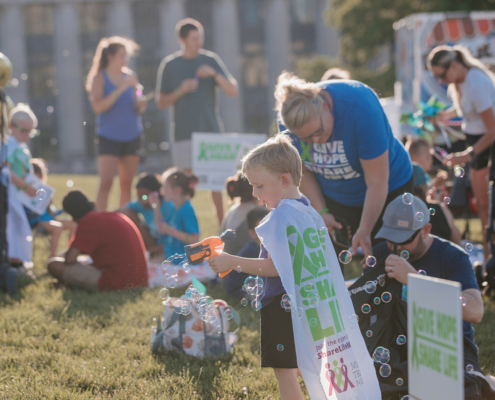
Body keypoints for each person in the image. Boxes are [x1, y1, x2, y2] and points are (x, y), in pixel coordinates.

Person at [207, 135, 308, 400]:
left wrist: (232, 262)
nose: (254, 194)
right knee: (296, 361)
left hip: (279, 303)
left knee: (283, 371)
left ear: (284, 180)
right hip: (303, 299)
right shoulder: (305, 208)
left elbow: (276, 268)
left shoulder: (278, 218)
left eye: (259, 186)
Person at [275, 71, 413, 259]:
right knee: (330, 263)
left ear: (324, 107)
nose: (316, 141)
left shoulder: (360, 108)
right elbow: (303, 171)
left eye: (319, 131)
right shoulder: (287, 124)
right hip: (335, 194)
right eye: (306, 138)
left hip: (389, 186)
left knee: (386, 259)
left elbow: (377, 182)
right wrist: (321, 212)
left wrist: (364, 230)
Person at [371, 195, 490, 399]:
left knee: (461, 391)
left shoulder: (453, 256)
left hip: (448, 342)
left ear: (426, 230)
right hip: (398, 341)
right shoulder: (383, 251)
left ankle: (486, 381)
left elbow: (476, 311)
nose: (396, 248)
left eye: (405, 239)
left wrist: (415, 279)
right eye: (391, 239)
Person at [155, 18, 239, 226]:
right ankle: (182, 229)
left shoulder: (210, 60)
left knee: (216, 186)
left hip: (211, 132)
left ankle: (222, 231)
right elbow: (160, 102)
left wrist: (214, 74)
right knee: (181, 186)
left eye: (200, 37)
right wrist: (180, 90)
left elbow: (233, 90)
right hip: (184, 133)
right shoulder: (170, 65)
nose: (198, 42)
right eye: (194, 38)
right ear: (182, 40)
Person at [428, 45, 495, 258]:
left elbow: (492, 130)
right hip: (477, 141)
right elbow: (464, 108)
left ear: (454, 65)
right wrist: (444, 116)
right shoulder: (458, 82)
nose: (440, 80)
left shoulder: (476, 84)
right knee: (482, 205)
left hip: (487, 143)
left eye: (441, 74)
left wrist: (467, 155)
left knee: (488, 206)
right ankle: (488, 258)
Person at [86, 36, 148, 211]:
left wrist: (139, 98)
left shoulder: (131, 77)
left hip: (132, 135)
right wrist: (121, 88)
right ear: (110, 56)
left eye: (126, 55)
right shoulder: (99, 78)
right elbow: (98, 107)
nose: (125, 59)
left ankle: (125, 222)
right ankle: (100, 222)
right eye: (122, 55)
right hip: (108, 137)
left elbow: (138, 103)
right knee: (106, 182)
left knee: (126, 183)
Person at [47, 190, 148, 291]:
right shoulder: (114, 216)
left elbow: (69, 259)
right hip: (139, 280)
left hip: (118, 282)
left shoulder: (89, 221)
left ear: (74, 217)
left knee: (54, 265)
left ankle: (71, 284)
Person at [5, 103, 39, 266]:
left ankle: (21, 259)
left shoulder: (21, 146)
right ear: (11, 126)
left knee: (21, 226)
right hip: (11, 193)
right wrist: (25, 186)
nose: (26, 135)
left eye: (30, 131)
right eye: (23, 130)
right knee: (13, 225)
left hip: (22, 194)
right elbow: (6, 170)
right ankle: (13, 258)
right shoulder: (9, 145)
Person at [28, 159, 77, 257]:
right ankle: (53, 256)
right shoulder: (29, 190)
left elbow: (51, 213)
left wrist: (50, 205)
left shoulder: (43, 190)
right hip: (37, 221)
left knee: (73, 224)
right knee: (57, 227)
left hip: (49, 219)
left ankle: (69, 253)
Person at [120, 172, 174, 261]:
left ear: (156, 194)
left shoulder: (169, 207)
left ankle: (151, 251)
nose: (141, 201)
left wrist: (157, 249)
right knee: (127, 213)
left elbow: (174, 234)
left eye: (144, 197)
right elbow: (122, 210)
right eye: (139, 197)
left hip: (167, 244)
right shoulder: (142, 204)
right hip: (152, 241)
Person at [150, 167, 199, 264]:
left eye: (165, 187)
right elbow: (162, 228)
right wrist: (156, 208)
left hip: (182, 262)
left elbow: (194, 239)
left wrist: (170, 230)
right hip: (170, 257)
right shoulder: (175, 208)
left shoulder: (186, 210)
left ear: (177, 189)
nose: (161, 190)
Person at [225, 207, 269, 299]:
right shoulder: (254, 251)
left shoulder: (264, 246)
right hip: (240, 290)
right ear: (252, 233)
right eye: (261, 228)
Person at [412, 163, 461, 245]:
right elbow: (457, 240)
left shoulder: (401, 211)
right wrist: (441, 205)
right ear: (424, 186)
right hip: (441, 256)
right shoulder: (439, 208)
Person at [221, 172, 260, 256]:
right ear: (255, 190)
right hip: (248, 267)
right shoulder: (258, 214)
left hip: (228, 265)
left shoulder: (231, 211)